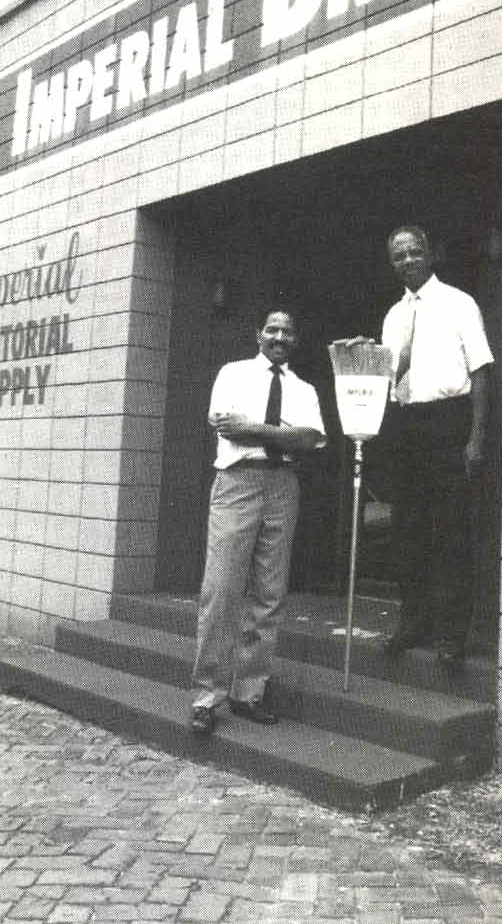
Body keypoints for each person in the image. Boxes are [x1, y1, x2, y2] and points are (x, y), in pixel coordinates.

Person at [190, 306, 326, 733]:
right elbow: (227, 428)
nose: (279, 337)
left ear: (295, 340)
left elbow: (311, 438)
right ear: (258, 334)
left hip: (283, 485)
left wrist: (257, 428)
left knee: (270, 593)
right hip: (238, 483)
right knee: (222, 588)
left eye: (288, 331)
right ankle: (206, 696)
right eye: (272, 329)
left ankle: (248, 692)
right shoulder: (232, 373)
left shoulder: (304, 388)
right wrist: (282, 433)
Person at [381, 225, 493, 667]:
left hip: (449, 420)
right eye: (399, 255)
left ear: (430, 254)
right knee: (407, 529)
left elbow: (481, 371)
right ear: (393, 263)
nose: (408, 260)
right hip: (405, 424)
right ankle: (413, 623)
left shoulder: (459, 303)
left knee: (451, 532)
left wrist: (476, 438)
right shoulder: (393, 315)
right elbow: (389, 375)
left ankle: (451, 636)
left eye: (415, 252)